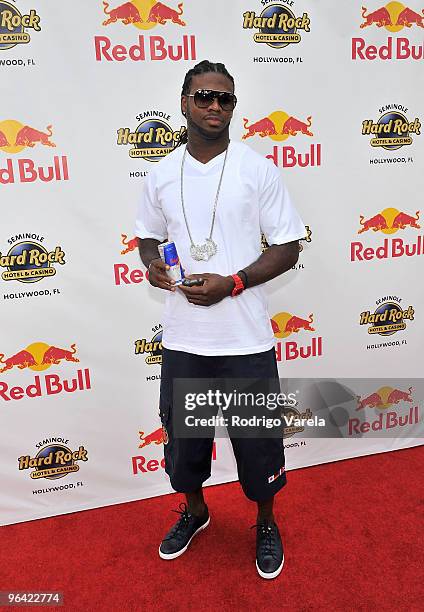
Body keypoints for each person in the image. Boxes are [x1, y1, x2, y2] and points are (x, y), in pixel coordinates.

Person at [135, 60, 306, 580]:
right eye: (204, 96)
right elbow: (146, 235)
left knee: (258, 447)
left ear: (234, 107)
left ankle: (266, 521)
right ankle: (195, 511)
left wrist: (232, 283)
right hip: (186, 339)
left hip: (245, 339)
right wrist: (153, 264)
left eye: (225, 99)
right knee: (184, 444)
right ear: (184, 103)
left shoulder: (258, 169)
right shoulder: (161, 174)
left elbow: (288, 247)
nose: (215, 106)